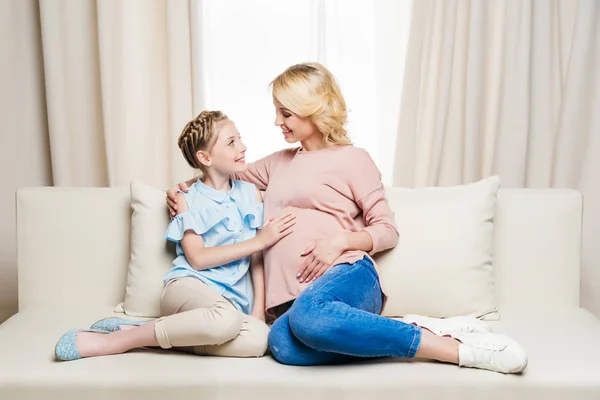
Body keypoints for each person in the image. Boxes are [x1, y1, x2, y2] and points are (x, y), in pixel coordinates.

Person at [166, 62, 528, 373]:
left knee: (310, 315)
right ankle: (416, 330)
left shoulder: (354, 159)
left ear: (312, 109)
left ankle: (452, 350)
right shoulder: (278, 163)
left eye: (286, 113)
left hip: (349, 275)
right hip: (294, 305)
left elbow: (387, 231)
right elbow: (219, 171)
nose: (277, 121)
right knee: (282, 345)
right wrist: (182, 191)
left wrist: (339, 242)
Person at [54, 110, 296, 361]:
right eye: (231, 142)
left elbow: (256, 256)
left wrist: (258, 308)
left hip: (233, 306)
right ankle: (117, 341)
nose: (243, 147)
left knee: (257, 341)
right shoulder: (185, 198)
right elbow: (198, 259)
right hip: (188, 288)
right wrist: (260, 240)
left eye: (240, 138)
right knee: (225, 320)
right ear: (205, 157)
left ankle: (141, 333)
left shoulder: (251, 193)